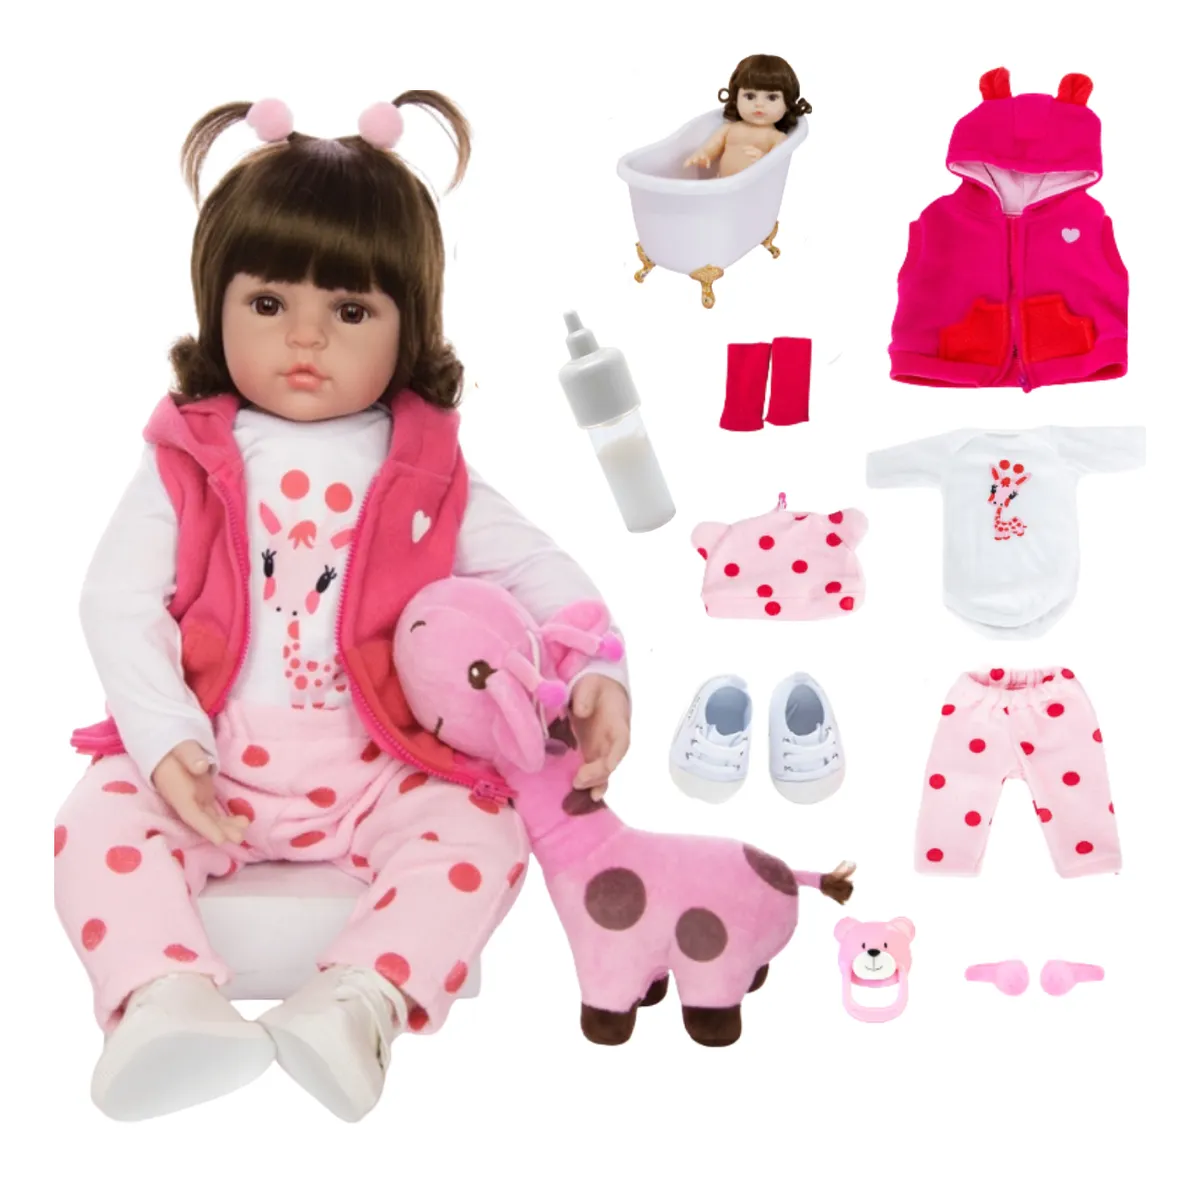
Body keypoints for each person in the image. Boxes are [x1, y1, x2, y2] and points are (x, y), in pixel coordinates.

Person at [53, 90, 631, 1124]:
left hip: (380, 768)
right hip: (208, 759)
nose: (306, 338)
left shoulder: (426, 467)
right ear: (216, 305)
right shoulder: (187, 455)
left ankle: (359, 1002)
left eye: (351, 312)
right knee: (94, 820)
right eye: (269, 304)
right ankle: (162, 999)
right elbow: (115, 598)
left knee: (483, 832)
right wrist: (165, 739)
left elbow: (541, 570)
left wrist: (596, 670)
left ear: (409, 326)